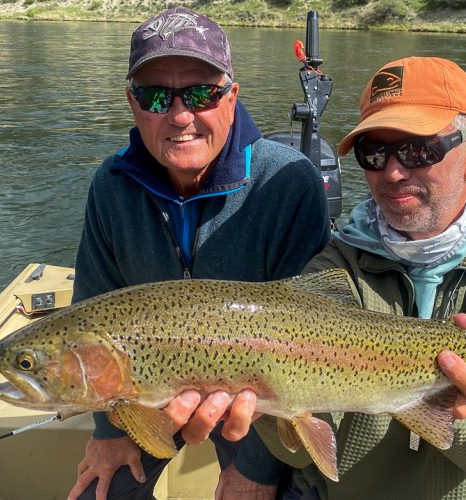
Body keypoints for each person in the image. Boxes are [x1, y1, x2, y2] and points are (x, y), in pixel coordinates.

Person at [220, 56, 466, 499]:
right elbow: (300, 454)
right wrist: (268, 405)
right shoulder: (334, 269)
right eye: (375, 153)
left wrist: (454, 410)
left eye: (418, 150)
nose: (393, 172)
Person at [66, 7, 330, 500]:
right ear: (132, 103)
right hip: (141, 390)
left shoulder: (289, 182)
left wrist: (257, 470)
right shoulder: (111, 186)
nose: (181, 116)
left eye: (203, 93)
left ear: (232, 96)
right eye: (156, 96)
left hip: (261, 404)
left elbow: (313, 322)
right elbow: (90, 312)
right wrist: (106, 433)